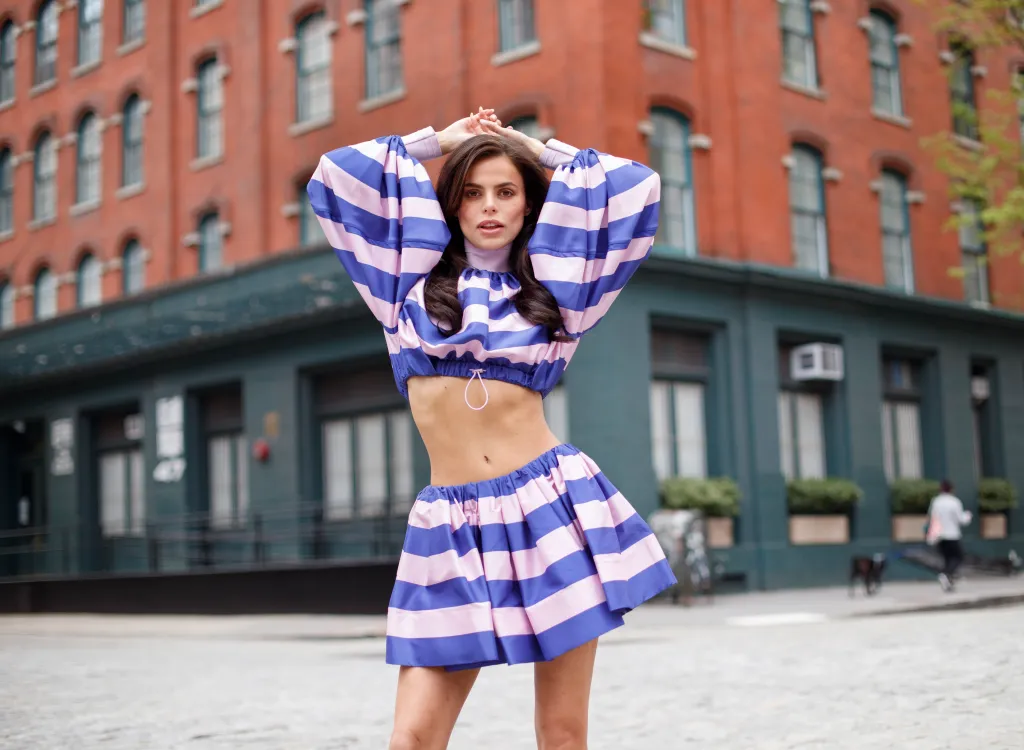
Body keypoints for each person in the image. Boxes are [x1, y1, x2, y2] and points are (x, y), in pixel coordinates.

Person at [308, 107, 677, 749]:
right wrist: (438, 142)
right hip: (450, 525)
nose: (489, 206)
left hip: (549, 511)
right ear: (451, 204)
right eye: (473, 192)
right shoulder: (402, 285)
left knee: (562, 734)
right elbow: (336, 174)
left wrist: (538, 150)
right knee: (412, 738)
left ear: (528, 205)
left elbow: (637, 185)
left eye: (506, 191)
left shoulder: (561, 292)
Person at [926, 479, 973, 592]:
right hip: (952, 534)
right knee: (958, 557)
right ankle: (946, 574)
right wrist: (968, 516)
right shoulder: (954, 502)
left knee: (947, 559)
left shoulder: (936, 501)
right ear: (951, 489)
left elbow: (932, 517)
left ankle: (948, 582)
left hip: (940, 535)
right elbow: (961, 519)